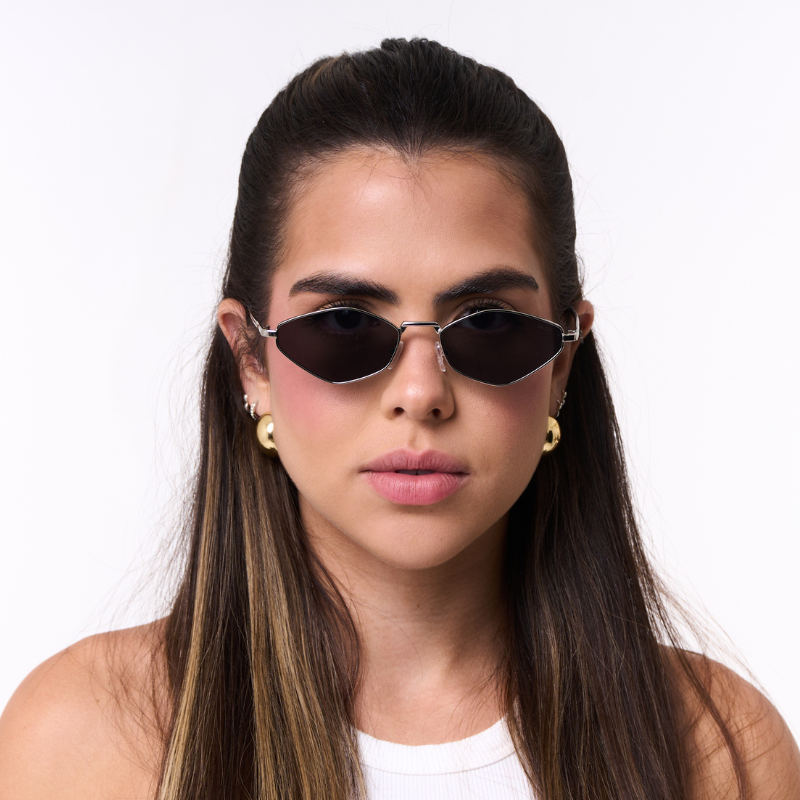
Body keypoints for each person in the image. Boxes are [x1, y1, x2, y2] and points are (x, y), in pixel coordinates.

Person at [0, 37, 798, 800]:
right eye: (345, 323)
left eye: (488, 324)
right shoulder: (82, 742)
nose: (421, 393)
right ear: (251, 358)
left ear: (562, 361)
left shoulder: (719, 751)